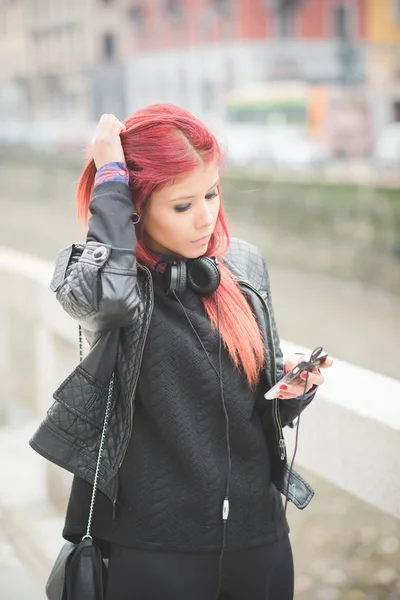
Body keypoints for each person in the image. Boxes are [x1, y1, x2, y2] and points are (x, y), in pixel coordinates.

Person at [30, 104, 333, 600]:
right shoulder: (107, 278)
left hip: (259, 539)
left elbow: (257, 409)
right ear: (135, 207)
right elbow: (104, 298)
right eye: (181, 205)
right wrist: (110, 172)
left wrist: (293, 387)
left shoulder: (243, 267)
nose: (206, 217)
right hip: (154, 548)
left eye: (211, 194)